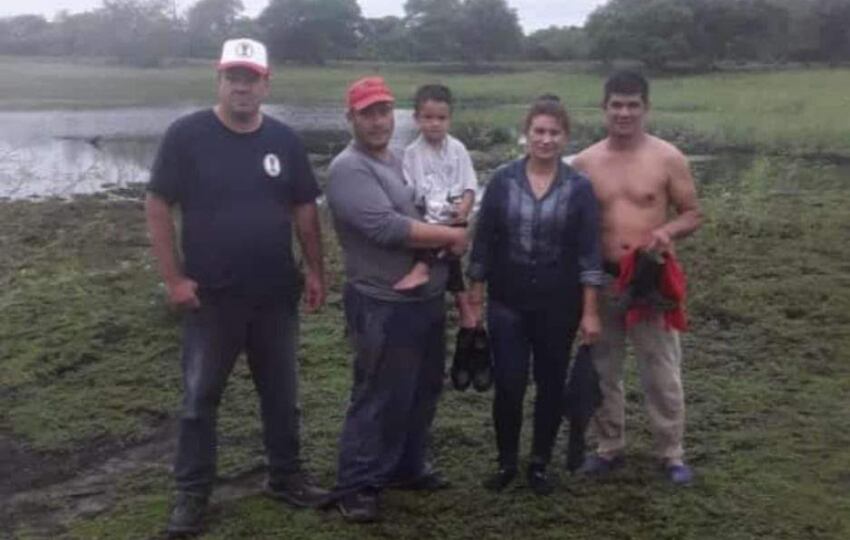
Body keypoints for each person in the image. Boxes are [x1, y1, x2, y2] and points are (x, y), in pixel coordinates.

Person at [145, 38, 328, 537]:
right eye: (234, 76)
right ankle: (192, 493)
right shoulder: (187, 135)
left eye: (251, 77)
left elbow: (304, 209)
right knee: (199, 398)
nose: (242, 86)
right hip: (212, 299)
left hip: (275, 295)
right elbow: (158, 204)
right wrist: (174, 278)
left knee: (282, 394)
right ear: (219, 79)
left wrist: (315, 270)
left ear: (267, 82)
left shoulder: (285, 141)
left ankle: (285, 476)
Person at [325, 76, 468, 522]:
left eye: (384, 111)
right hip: (381, 303)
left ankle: (408, 464)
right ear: (351, 118)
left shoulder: (395, 160)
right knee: (376, 393)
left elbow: (431, 204)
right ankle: (357, 484)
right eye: (367, 113)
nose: (377, 121)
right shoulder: (349, 168)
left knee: (423, 388)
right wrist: (454, 233)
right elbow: (386, 227)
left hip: (423, 300)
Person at [467, 95, 603, 496]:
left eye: (554, 133)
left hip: (559, 306)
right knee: (509, 383)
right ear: (526, 134)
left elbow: (589, 253)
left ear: (566, 137)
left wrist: (590, 312)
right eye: (538, 132)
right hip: (507, 303)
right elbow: (484, 243)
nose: (545, 140)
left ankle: (540, 462)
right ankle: (506, 462)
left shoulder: (579, 188)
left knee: (551, 383)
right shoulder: (502, 181)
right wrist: (475, 296)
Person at [572, 71, 703, 485]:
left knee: (661, 369)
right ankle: (609, 447)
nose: (624, 112)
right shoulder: (585, 163)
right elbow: (575, 228)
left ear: (646, 107)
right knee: (603, 368)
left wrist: (666, 232)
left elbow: (692, 213)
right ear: (604, 108)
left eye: (632, 105)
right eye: (616, 104)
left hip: (649, 280)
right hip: (604, 280)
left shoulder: (667, 158)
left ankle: (671, 452)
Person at [394, 84, 478, 329]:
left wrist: (463, 209)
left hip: (455, 214)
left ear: (449, 119)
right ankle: (462, 303)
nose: (435, 124)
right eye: (428, 117)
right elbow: (411, 192)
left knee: (452, 232)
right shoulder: (411, 153)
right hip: (428, 215)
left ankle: (423, 267)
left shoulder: (458, 149)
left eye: (441, 118)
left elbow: (470, 187)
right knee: (437, 234)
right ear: (416, 119)